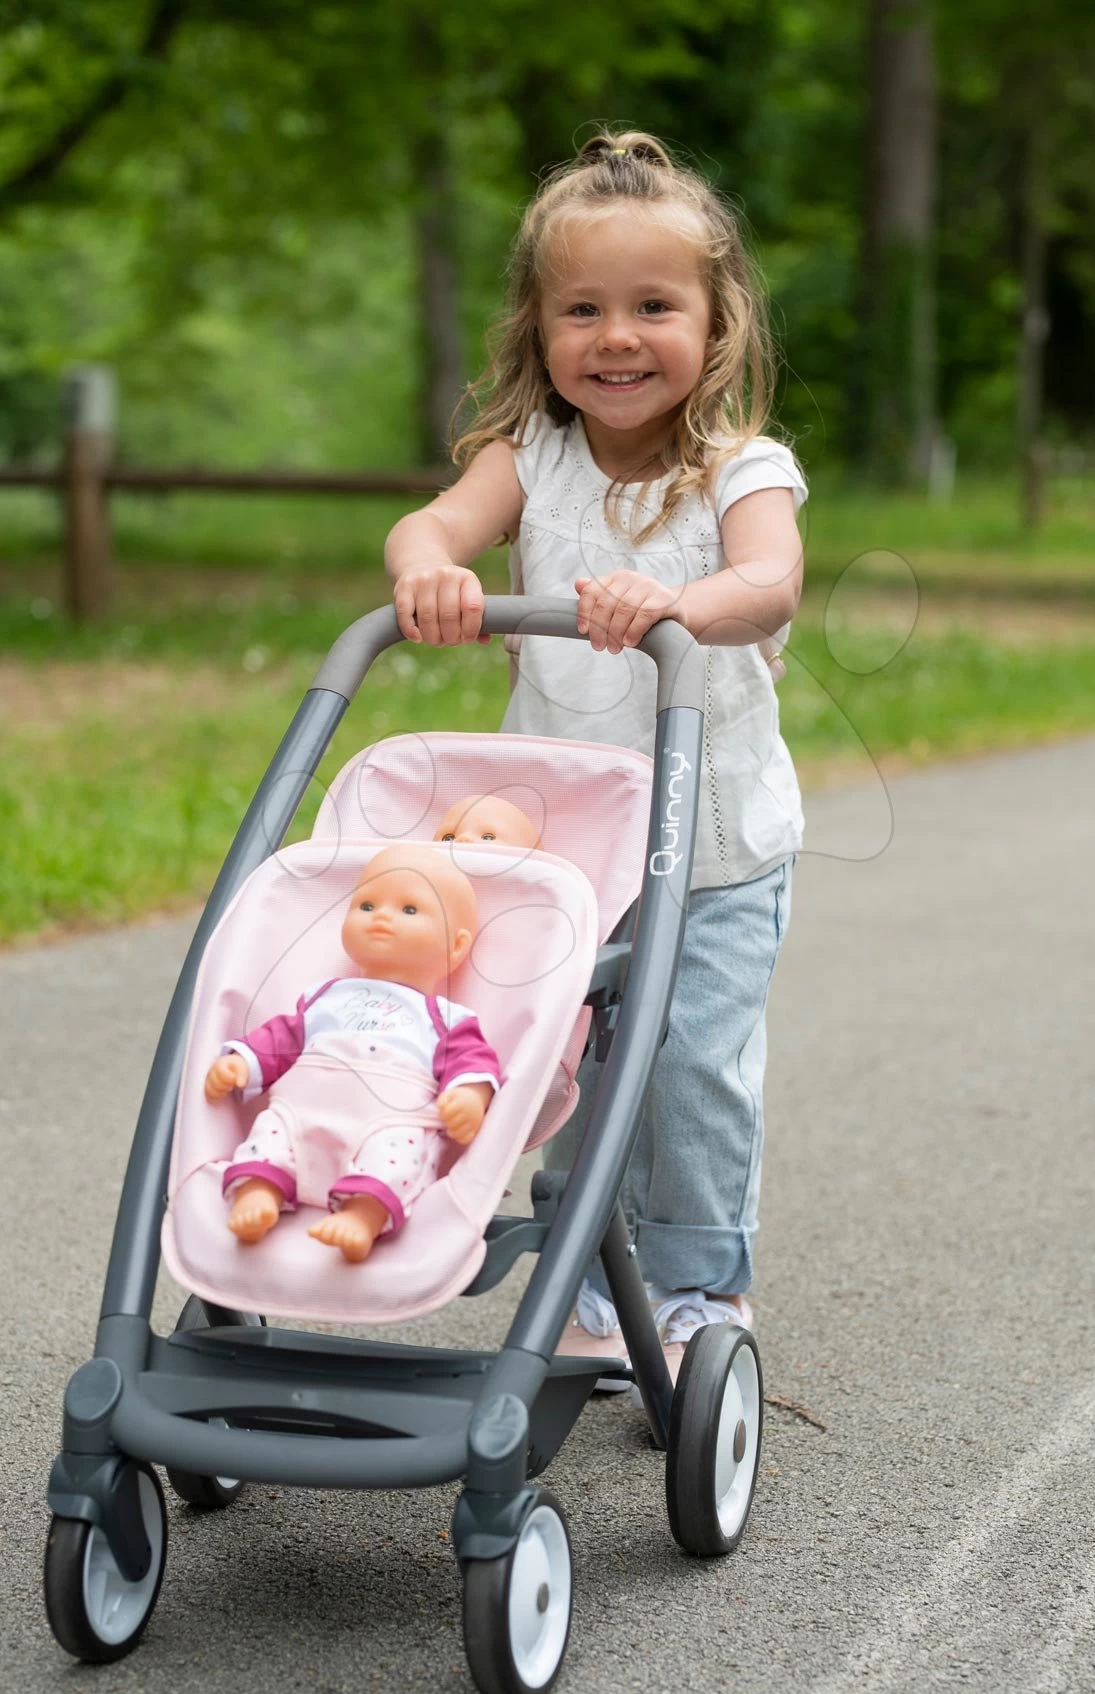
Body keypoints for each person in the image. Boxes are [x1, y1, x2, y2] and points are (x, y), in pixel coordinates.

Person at [382, 129, 806, 1378]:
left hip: (714, 850)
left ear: (716, 324)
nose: (617, 336)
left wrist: (683, 604)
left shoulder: (741, 468)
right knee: (561, 1059)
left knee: (687, 1069)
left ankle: (697, 1286)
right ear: (539, 328)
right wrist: (432, 570)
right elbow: (430, 523)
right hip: (562, 857)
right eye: (584, 309)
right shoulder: (527, 461)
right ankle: (588, 1265)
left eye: (654, 307)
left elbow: (771, 582)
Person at [206, 846, 501, 1262]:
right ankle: (259, 1194)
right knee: (268, 1139)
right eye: (366, 904)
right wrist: (241, 1062)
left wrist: (470, 1097)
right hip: (299, 1114)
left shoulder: (445, 1017)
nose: (381, 915)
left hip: (386, 1123)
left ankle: (363, 1218)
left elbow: (474, 1061)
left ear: (456, 947)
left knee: (397, 1157)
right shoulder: (323, 998)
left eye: (410, 909)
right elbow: (280, 1039)